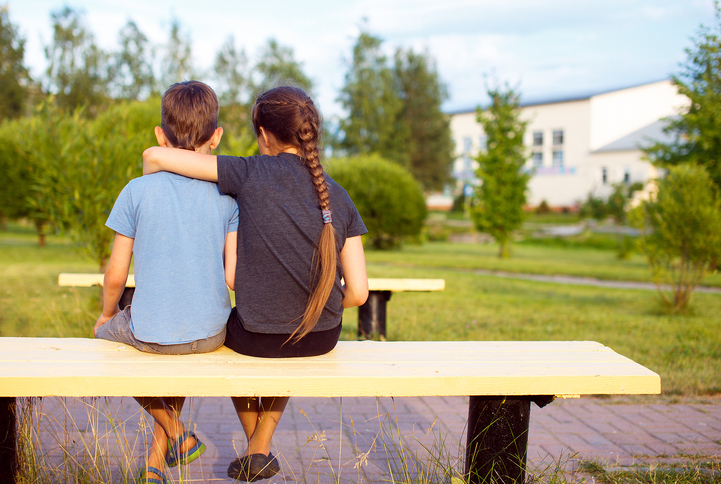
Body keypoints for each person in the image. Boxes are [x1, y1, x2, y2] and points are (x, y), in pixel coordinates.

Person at [143, 85, 369, 482]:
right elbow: (359, 292)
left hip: (258, 339)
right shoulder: (339, 195)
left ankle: (259, 443)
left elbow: (156, 156)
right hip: (323, 336)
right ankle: (258, 448)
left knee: (230, 329)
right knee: (291, 331)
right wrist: (322, 304)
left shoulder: (248, 172)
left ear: (263, 134)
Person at [95, 81, 239, 484]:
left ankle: (176, 432)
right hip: (212, 332)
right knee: (176, 344)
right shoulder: (229, 198)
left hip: (153, 333)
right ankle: (155, 465)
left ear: (160, 136)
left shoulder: (135, 191)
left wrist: (107, 315)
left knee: (116, 343)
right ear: (217, 136)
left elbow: (116, 275)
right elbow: (232, 275)